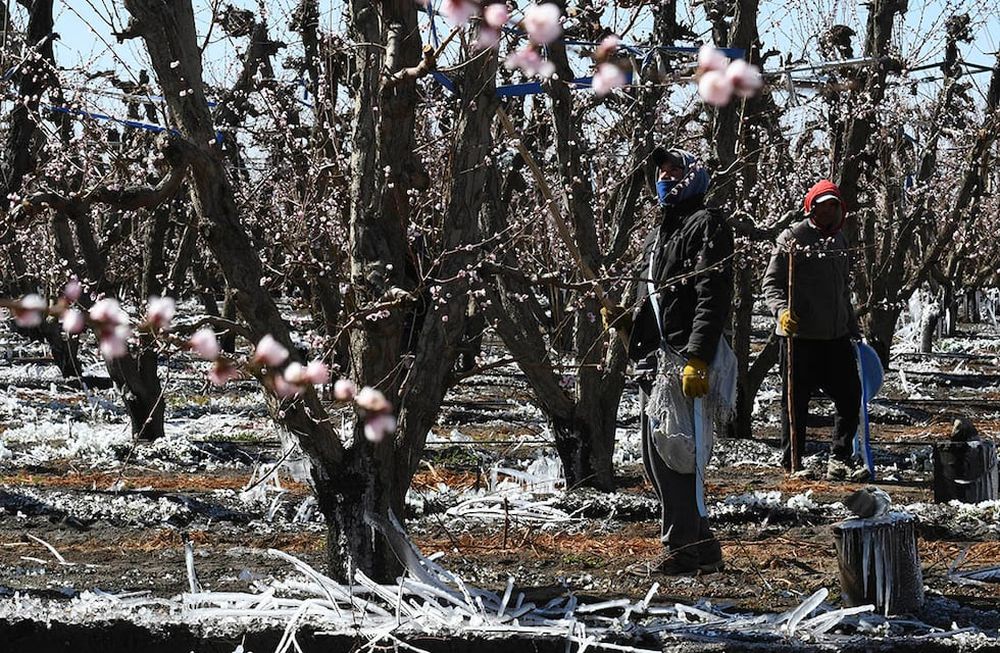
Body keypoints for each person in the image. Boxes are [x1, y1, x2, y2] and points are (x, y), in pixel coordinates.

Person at [604, 147, 736, 576]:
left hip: (681, 356)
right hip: (654, 358)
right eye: (661, 172)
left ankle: (680, 546)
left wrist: (698, 356)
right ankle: (702, 544)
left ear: (695, 175)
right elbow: (655, 293)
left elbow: (710, 295)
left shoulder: (707, 224)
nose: (667, 177)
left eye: (676, 170)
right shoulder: (658, 233)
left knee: (677, 454)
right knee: (655, 456)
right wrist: (628, 321)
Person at [761, 179, 867, 481]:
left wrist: (851, 325)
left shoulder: (840, 241)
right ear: (812, 207)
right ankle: (793, 462)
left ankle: (840, 457)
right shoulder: (792, 238)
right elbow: (771, 284)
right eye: (823, 206)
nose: (829, 212)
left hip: (835, 337)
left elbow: (842, 290)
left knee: (850, 395)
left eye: (834, 205)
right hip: (800, 339)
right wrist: (782, 313)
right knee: (795, 403)